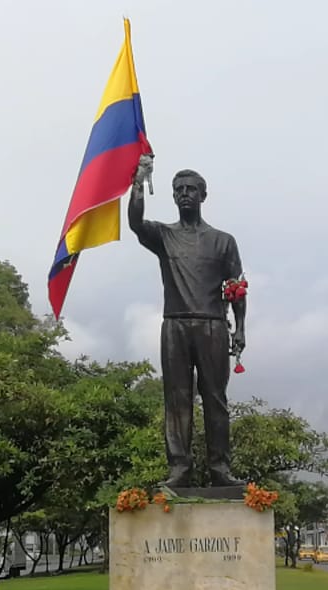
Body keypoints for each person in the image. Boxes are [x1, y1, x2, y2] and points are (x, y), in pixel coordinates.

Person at [129, 155, 246, 489]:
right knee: (177, 400)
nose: (185, 194)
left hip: (212, 325)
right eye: (179, 189)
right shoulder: (164, 236)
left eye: (191, 189)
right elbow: (136, 224)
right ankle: (180, 468)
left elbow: (236, 288)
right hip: (175, 326)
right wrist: (138, 182)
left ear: (203, 196)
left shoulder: (223, 241)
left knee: (215, 400)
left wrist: (241, 329)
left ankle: (219, 468)